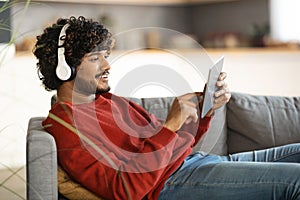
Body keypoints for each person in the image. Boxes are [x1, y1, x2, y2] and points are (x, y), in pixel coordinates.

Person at [33, 16, 300, 200]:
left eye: (106, 56)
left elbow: (172, 147)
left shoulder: (106, 101)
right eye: (95, 58)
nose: (107, 66)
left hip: (194, 163)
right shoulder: (66, 128)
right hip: (172, 184)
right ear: (64, 68)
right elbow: (125, 190)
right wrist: (170, 125)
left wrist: (203, 111)